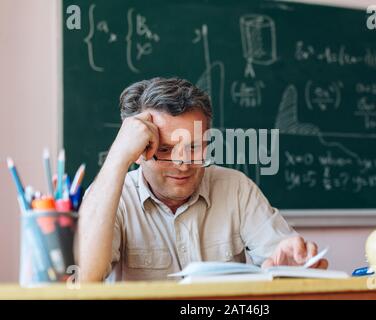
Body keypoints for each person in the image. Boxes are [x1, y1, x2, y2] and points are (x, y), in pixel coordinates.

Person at [77, 77, 328, 281]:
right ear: (138, 152)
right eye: (165, 149)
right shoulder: (111, 197)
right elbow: (87, 279)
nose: (183, 163)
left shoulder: (236, 188)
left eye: (196, 147)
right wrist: (117, 158)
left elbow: (287, 263)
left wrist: (295, 267)